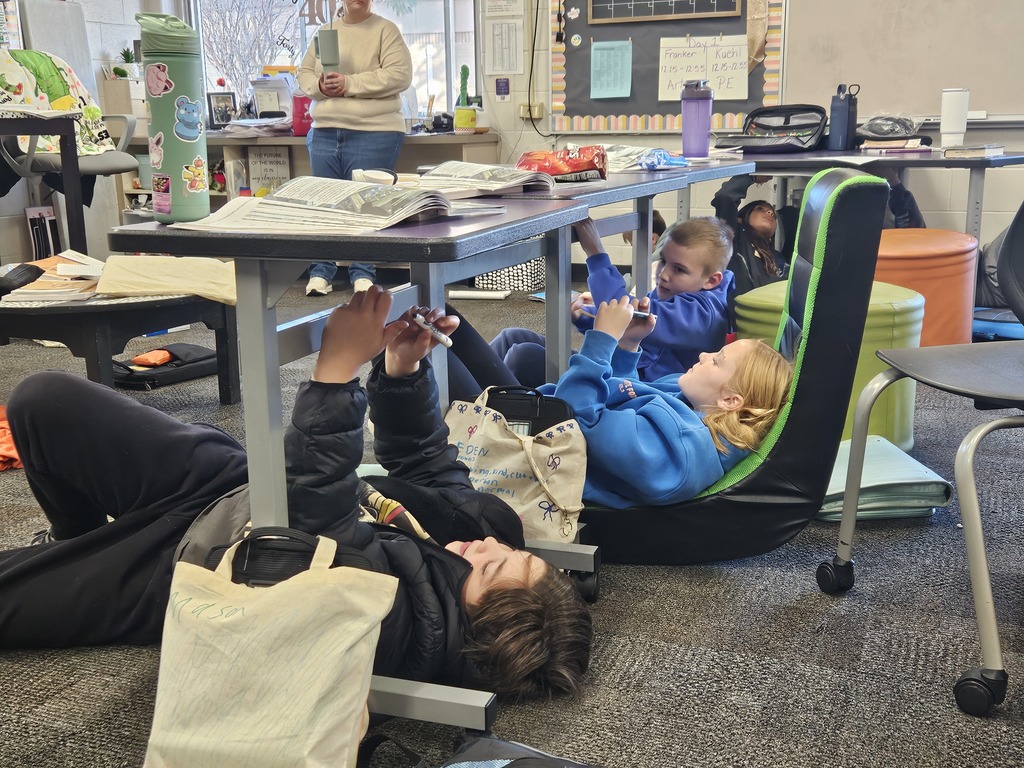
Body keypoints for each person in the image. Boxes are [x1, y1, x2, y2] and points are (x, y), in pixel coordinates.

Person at [0, 288, 592, 700]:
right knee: (41, 401)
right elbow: (426, 464)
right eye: (518, 554)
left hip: (192, 563)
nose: (488, 545)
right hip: (235, 484)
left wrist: (334, 372)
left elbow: (318, 524)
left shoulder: (398, 626)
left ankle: (85, 553)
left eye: (492, 570)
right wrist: (402, 371)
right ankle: (79, 538)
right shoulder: (479, 540)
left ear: (474, 627)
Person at [448, 295, 793, 509]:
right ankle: (458, 431)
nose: (704, 354)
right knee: (486, 334)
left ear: (730, 400)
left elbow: (575, 419)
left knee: (436, 348)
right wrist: (628, 346)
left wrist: (603, 340)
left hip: (530, 455)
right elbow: (631, 394)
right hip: (543, 428)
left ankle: (456, 451)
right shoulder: (692, 404)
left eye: (717, 360)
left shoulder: (679, 457)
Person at [481, 216, 735, 390]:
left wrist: (596, 253)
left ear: (711, 280)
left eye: (679, 269)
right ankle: (468, 399)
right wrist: (585, 316)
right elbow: (626, 324)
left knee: (523, 356)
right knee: (511, 336)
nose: (664, 274)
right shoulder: (676, 292)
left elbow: (624, 312)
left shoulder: (702, 315)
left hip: (634, 389)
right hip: (616, 366)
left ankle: (488, 411)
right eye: (665, 262)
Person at [297, 0, 413, 297]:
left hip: (375, 130)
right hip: (324, 131)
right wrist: (320, 86)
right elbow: (304, 74)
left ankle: (363, 274)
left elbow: (400, 76)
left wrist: (350, 83)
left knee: (366, 206)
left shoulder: (386, 31)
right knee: (323, 207)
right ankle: (321, 271)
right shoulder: (327, 31)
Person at [711, 174, 788, 302]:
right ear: (740, 219)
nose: (769, 213)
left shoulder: (779, 260)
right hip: (737, 319)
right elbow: (725, 197)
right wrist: (751, 177)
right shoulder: (733, 240)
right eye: (760, 209)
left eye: (773, 214)